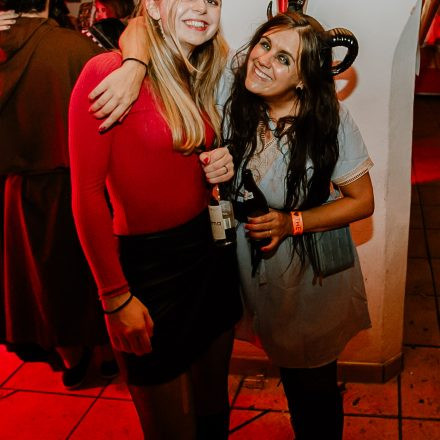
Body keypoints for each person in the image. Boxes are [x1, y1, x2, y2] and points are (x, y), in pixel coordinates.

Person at [68, 0, 242, 439]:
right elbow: (86, 194)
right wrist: (114, 296)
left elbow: (181, 156)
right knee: (170, 428)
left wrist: (219, 162)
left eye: (214, 0)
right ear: (156, 6)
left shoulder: (201, 70)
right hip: (150, 272)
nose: (203, 7)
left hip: (209, 256)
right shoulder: (108, 72)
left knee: (213, 410)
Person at [223, 10, 374, 440]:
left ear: (304, 78)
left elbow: (363, 201)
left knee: (314, 390)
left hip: (309, 278)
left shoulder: (329, 120)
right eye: (265, 44)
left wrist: (291, 223)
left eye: (284, 59)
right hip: (257, 272)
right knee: (293, 376)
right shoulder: (236, 103)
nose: (264, 60)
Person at [0, 0, 117, 388]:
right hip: (74, 181)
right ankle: (103, 352)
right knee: (85, 273)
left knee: (40, 282)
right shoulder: (73, 48)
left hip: (17, 190)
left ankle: (71, 356)